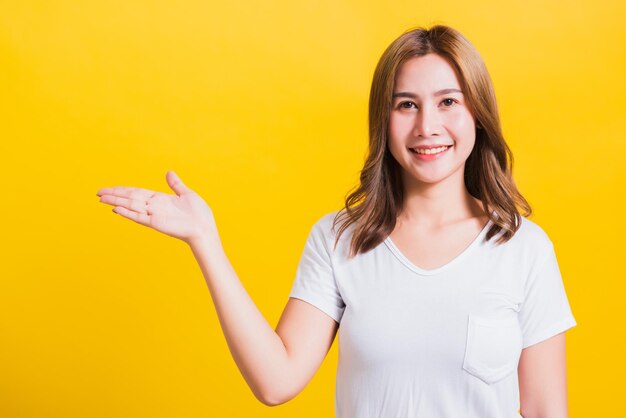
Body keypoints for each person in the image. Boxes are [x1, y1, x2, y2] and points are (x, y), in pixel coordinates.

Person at [96, 25, 576, 418]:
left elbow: (545, 410)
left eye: (448, 102)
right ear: (383, 121)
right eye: (406, 104)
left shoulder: (524, 249)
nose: (427, 125)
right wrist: (205, 240)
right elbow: (276, 380)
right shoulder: (341, 239)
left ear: (478, 114)